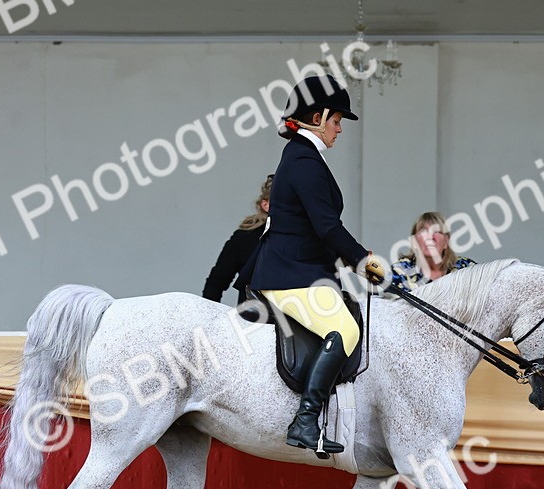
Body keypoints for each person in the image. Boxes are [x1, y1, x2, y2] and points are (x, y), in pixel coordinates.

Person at [246, 73, 387, 457]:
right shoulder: (305, 160)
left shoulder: (303, 156)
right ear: (316, 116)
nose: (339, 129)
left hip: (302, 270)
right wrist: (366, 263)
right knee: (345, 329)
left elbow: (319, 229)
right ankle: (305, 419)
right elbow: (327, 228)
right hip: (288, 275)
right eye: (336, 120)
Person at [202, 175, 273, 305]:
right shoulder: (244, 237)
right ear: (265, 204)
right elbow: (217, 281)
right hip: (253, 320)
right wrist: (209, 320)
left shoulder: (309, 234)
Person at [389, 211, 477, 292]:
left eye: (437, 231)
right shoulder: (400, 272)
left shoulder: (466, 268)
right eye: (423, 231)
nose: (430, 237)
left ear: (446, 241)